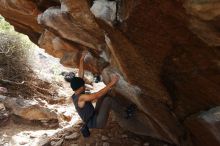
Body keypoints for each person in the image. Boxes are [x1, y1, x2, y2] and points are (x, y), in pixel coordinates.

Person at [68, 51, 119, 130]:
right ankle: (126, 113)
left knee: (104, 95)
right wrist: (111, 83)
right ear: (81, 87)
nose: (84, 86)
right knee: (107, 100)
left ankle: (118, 107)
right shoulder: (81, 97)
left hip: (94, 115)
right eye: (83, 85)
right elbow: (97, 95)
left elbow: (80, 75)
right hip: (96, 122)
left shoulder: (77, 91)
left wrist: (81, 60)